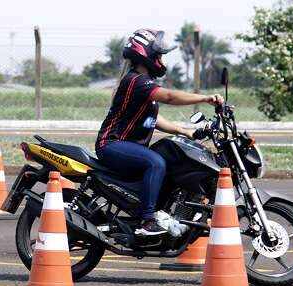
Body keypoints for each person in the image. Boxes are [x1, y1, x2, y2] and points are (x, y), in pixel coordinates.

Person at [95, 29, 224, 237]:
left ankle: (163, 211)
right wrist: (205, 98)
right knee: (156, 162)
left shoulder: (145, 85)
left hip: (128, 146)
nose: (162, 60)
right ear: (147, 54)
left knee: (168, 158)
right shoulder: (136, 81)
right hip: (111, 144)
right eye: (160, 55)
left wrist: (184, 131)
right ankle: (147, 220)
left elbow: (152, 119)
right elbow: (171, 97)